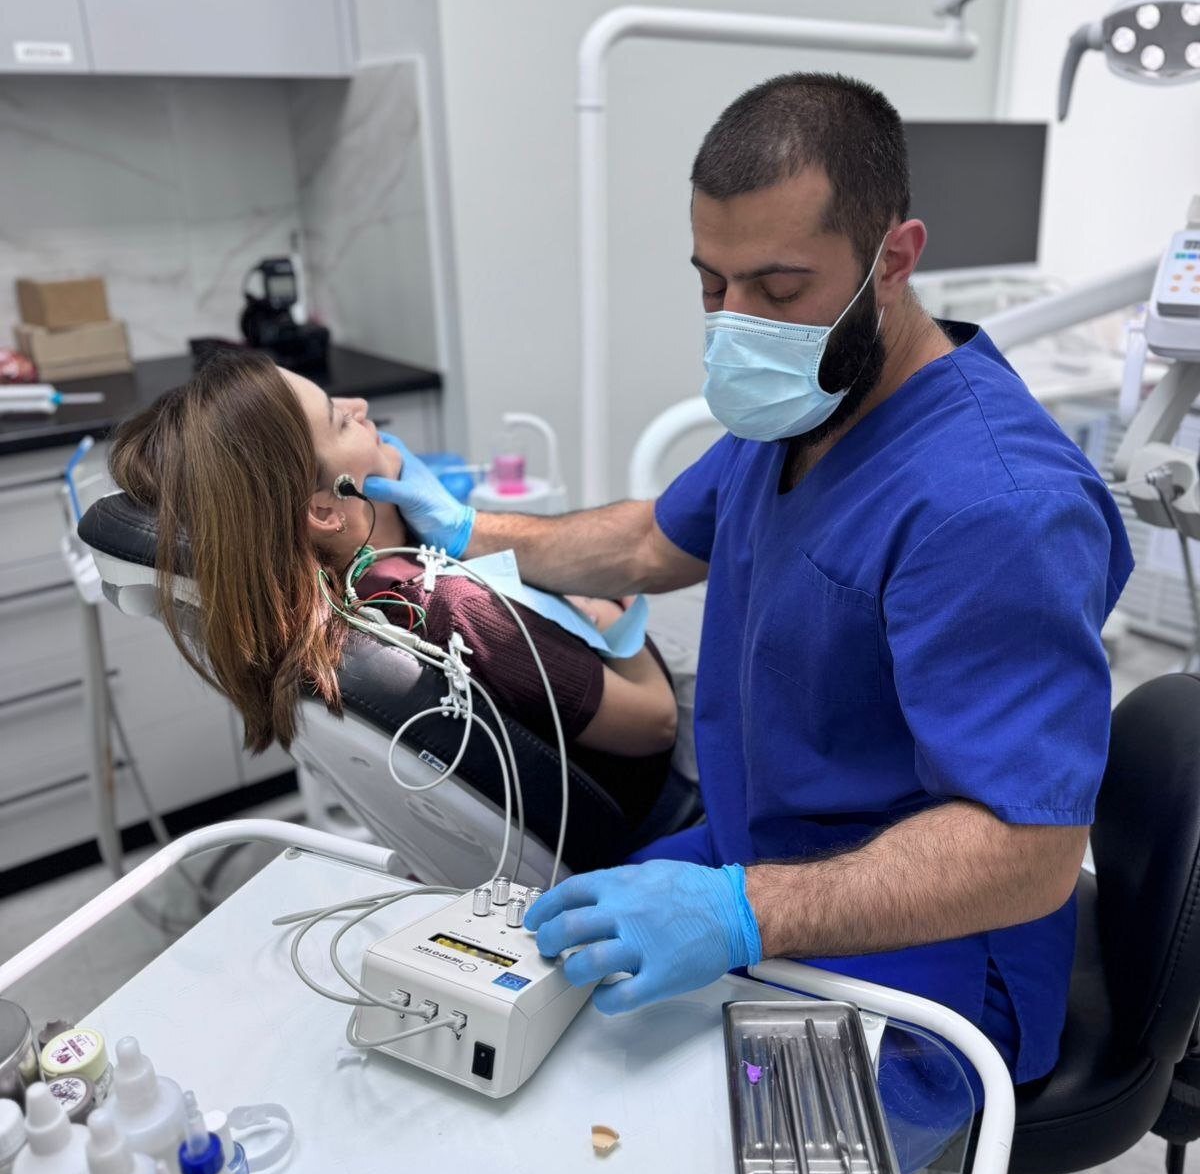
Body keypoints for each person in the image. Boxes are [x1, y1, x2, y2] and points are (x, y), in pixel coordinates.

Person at [372, 72, 1134, 1090]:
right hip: (758, 857)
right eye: (711, 285)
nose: (737, 326)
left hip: (934, 959)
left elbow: (1027, 852)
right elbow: (651, 541)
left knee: (642, 1137)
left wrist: (743, 913)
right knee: (534, 1003)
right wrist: (469, 531)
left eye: (777, 291)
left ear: (894, 259)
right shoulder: (805, 407)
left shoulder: (996, 507)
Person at [106, 351, 679, 830]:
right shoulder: (459, 611)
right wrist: (607, 613)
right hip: (659, 806)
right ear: (325, 511)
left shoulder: (353, 599)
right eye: (339, 421)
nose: (360, 407)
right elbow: (656, 723)